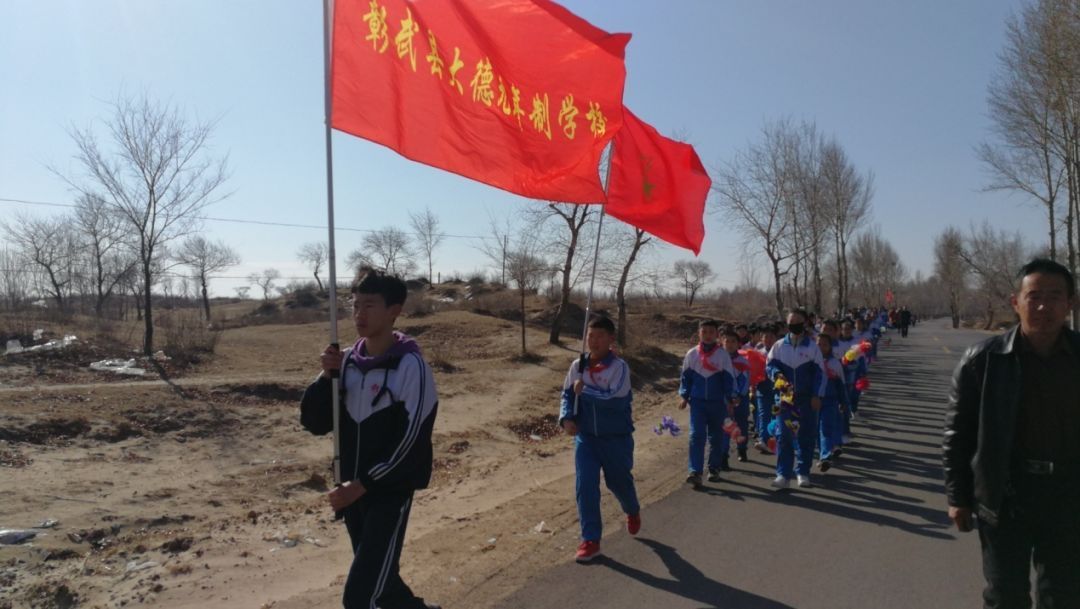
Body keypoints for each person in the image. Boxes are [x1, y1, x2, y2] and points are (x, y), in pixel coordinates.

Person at [300, 269, 441, 609]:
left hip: (388, 494)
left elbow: (412, 442)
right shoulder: (345, 361)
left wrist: (363, 484)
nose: (359, 314)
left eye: (370, 306)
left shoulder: (411, 367)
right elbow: (314, 422)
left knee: (361, 597)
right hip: (352, 493)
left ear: (395, 310)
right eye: (355, 305)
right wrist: (325, 378)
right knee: (384, 584)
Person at [943, 258, 1080, 608]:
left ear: (1070, 303)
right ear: (1015, 302)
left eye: (1055, 296)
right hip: (1006, 498)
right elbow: (959, 434)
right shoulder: (982, 360)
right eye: (1034, 296)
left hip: (1068, 497)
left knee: (1063, 595)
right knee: (1005, 596)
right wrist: (958, 497)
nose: (1044, 306)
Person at [559, 316, 641, 562]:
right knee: (585, 486)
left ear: (611, 339)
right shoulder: (577, 365)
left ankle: (632, 509)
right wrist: (566, 418)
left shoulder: (619, 368)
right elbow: (566, 394)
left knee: (619, 483)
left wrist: (584, 390)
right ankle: (591, 540)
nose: (593, 341)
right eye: (590, 336)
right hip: (586, 439)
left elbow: (614, 399)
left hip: (615, 438)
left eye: (600, 336)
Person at [766, 309, 825, 489]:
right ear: (787, 324)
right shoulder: (778, 346)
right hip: (785, 398)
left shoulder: (812, 347)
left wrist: (817, 395)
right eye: (791, 322)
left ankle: (803, 472)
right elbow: (769, 366)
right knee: (783, 435)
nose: (794, 325)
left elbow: (820, 373)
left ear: (805, 323)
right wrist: (777, 375)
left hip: (806, 399)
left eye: (798, 321)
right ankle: (783, 475)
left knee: (805, 436)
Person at [678, 319, 737, 486]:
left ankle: (714, 468)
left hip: (717, 403)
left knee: (716, 437)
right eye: (704, 332)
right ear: (699, 334)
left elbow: (728, 379)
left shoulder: (722, 355)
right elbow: (685, 378)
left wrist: (731, 398)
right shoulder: (692, 354)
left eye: (711, 332)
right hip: (697, 403)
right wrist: (684, 396)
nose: (708, 335)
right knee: (696, 435)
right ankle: (695, 471)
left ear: (717, 334)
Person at [816, 333, 846, 472]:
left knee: (825, 428)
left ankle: (825, 457)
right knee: (814, 429)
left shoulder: (835, 363)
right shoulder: (810, 362)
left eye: (825, 345)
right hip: (813, 401)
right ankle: (820, 452)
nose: (821, 347)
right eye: (818, 344)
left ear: (830, 347)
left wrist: (843, 402)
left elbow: (841, 385)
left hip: (830, 401)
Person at [721, 328, 752, 466]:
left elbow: (745, 381)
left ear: (738, 344)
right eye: (727, 341)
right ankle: (723, 456)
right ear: (722, 342)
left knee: (741, 424)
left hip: (740, 399)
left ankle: (742, 449)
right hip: (724, 399)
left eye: (733, 341)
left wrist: (739, 395)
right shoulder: (718, 360)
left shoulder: (743, 361)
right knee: (726, 426)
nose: (730, 344)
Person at [753, 324, 779, 454]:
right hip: (762, 389)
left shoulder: (780, 352)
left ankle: (774, 440)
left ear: (776, 338)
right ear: (761, 339)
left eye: (771, 337)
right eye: (765, 337)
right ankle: (763, 440)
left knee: (776, 416)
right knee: (763, 415)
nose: (768, 339)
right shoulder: (757, 353)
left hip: (778, 391)